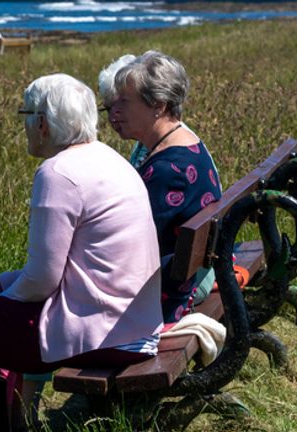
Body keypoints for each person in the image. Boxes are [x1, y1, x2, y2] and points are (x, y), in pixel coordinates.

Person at [0, 73, 163, 432]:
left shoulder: (58, 173)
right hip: (132, 323)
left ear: (41, 123)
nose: (26, 125)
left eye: (25, 115)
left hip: (105, 335)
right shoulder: (109, 158)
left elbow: (42, 280)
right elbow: (53, 272)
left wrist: (1, 299)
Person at [108, 50, 223, 323]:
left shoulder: (168, 171)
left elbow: (127, 248)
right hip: (177, 280)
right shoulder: (187, 143)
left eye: (125, 101)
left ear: (158, 105)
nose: (116, 110)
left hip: (161, 298)